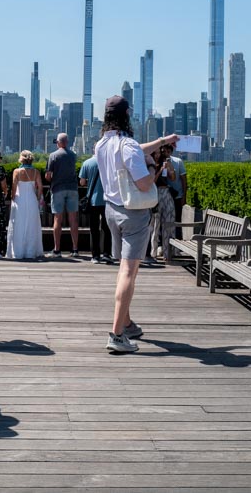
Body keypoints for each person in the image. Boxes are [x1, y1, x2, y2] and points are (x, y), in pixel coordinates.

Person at [94, 95, 178, 353]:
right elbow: (143, 183)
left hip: (113, 212)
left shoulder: (101, 145)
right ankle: (117, 335)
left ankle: (127, 323)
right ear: (127, 115)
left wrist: (163, 142)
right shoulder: (127, 145)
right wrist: (157, 167)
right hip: (134, 214)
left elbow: (134, 149)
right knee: (128, 273)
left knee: (122, 270)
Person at [45, 132, 79, 256]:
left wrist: (51, 178)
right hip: (73, 188)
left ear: (59, 142)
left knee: (57, 219)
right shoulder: (73, 155)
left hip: (58, 188)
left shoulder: (53, 155)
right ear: (67, 142)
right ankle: (75, 249)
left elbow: (48, 176)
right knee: (73, 219)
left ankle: (57, 249)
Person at [6, 150, 44, 260]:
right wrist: (37, 197)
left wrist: (12, 197)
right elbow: (40, 187)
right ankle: (30, 252)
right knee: (32, 225)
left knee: (19, 225)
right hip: (32, 199)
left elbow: (14, 187)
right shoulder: (36, 172)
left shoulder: (17, 171)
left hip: (19, 199)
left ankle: (17, 251)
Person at [78, 154, 112, 264]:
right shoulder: (109, 162)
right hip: (108, 200)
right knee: (107, 229)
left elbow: (82, 182)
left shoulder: (87, 163)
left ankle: (95, 256)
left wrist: (91, 182)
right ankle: (107, 254)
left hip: (93, 200)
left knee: (94, 229)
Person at [149, 144, 178, 264]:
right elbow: (151, 181)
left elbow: (173, 178)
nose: (157, 155)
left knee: (169, 223)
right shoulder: (150, 165)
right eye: (155, 153)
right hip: (154, 193)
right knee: (155, 224)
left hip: (165, 192)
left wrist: (170, 168)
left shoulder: (165, 163)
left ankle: (168, 252)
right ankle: (153, 252)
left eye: (159, 153)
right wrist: (160, 171)